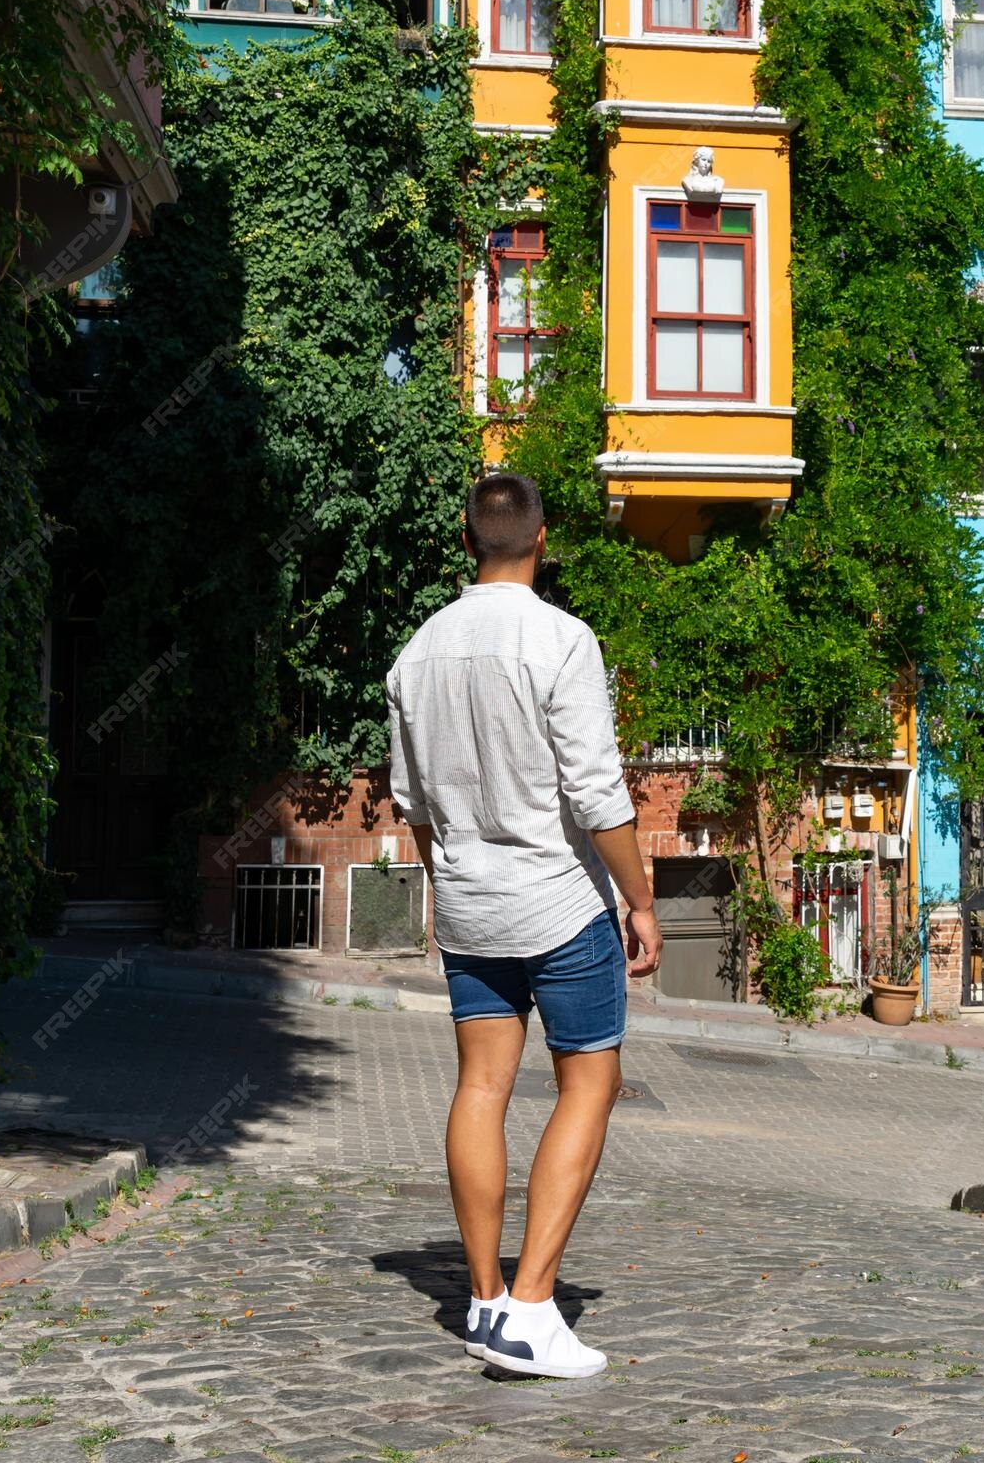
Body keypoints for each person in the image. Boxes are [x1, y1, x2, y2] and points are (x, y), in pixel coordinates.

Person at [385, 472, 662, 1379]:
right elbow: (595, 793)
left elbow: (411, 803)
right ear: (543, 541)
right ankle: (534, 1305)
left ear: (467, 542)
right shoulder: (561, 639)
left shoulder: (416, 653)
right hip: (557, 902)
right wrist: (640, 900)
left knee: (480, 1090)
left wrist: (454, 878)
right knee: (589, 1085)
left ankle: (482, 1299)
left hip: (469, 904)